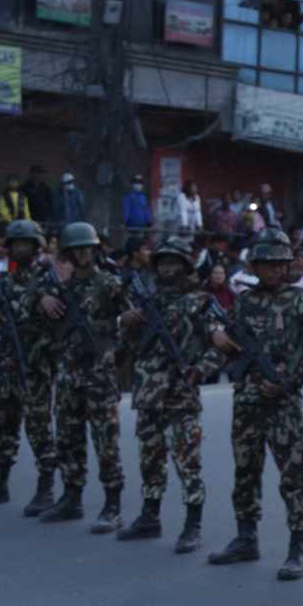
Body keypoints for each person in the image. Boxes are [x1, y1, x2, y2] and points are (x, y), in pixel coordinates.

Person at [200, 228, 303, 579]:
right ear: (255, 266)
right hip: (247, 401)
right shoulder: (244, 302)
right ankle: (246, 537)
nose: (272, 270)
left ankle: (299, 546)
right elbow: (228, 347)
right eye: (266, 264)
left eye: (278, 264)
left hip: (282, 403)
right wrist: (218, 346)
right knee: (245, 471)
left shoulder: (301, 302)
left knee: (293, 474)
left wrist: (288, 382)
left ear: (287, 266)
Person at [116, 236, 214, 552]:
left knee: (187, 460)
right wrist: (127, 324)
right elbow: (130, 349)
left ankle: (193, 524)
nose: (168, 268)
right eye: (163, 262)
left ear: (186, 266)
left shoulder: (200, 302)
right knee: (150, 458)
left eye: (174, 262)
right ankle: (150, 516)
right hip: (148, 392)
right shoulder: (147, 303)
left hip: (180, 393)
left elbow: (221, 344)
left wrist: (199, 370)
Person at [38, 222, 131, 530]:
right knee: (68, 437)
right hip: (68, 374)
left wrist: (117, 352)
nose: (82, 254)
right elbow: (29, 302)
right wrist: (42, 298)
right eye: (76, 249)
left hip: (99, 375)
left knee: (106, 440)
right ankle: (71, 496)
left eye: (87, 248)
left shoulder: (110, 283)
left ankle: (113, 503)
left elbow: (135, 320)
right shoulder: (58, 286)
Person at [0, 220, 59, 513]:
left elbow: (61, 321)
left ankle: (46, 485)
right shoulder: (5, 282)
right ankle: (0, 479)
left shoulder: (49, 282)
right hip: (8, 361)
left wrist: (48, 301)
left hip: (35, 364)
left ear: (36, 247)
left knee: (38, 425)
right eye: (15, 244)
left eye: (25, 244)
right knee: (3, 422)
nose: (20, 248)